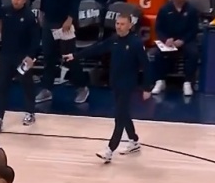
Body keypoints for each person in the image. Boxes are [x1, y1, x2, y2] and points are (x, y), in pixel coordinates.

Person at [63, 13, 152, 163]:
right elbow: (97, 48)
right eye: (117, 24)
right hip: (115, 83)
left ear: (130, 26)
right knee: (124, 114)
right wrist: (75, 56)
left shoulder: (136, 43)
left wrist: (147, 87)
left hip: (128, 84)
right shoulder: (114, 39)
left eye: (122, 24)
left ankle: (109, 150)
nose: (119, 27)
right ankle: (134, 141)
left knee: (119, 117)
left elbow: (146, 66)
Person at [35, 0, 89, 105]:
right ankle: (46, 89)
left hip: (65, 22)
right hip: (49, 20)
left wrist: (70, 18)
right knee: (48, 56)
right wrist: (41, 12)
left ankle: (82, 87)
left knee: (68, 56)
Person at [151, 0, 199, 97]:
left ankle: (188, 82)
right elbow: (158, 29)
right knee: (156, 54)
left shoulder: (192, 10)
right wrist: (165, 40)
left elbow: (193, 29)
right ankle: (160, 81)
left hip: (185, 41)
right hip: (169, 41)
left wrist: (183, 40)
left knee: (193, 53)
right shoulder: (164, 9)